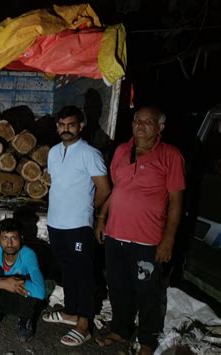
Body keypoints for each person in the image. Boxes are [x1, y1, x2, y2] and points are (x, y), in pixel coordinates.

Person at [94, 107, 185, 355]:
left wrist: (168, 240)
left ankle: (147, 340)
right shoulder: (122, 151)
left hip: (147, 240)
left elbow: (176, 202)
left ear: (159, 127)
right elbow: (117, 189)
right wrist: (102, 217)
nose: (141, 125)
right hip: (115, 235)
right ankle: (119, 330)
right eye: (137, 120)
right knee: (118, 286)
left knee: (148, 292)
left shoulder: (170, 155)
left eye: (148, 122)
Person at [43, 106, 110, 346]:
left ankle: (84, 324)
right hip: (55, 222)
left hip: (78, 225)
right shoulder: (53, 152)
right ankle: (71, 312)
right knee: (67, 270)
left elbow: (104, 188)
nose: (66, 129)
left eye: (71, 125)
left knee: (83, 275)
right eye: (61, 125)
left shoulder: (89, 153)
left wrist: (88, 209)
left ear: (80, 126)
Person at [0, 218, 45, 342]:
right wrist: (2, 283)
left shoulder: (28, 255)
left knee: (25, 277)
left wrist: (13, 282)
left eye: (13, 238)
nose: (9, 243)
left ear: (21, 238)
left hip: (20, 301)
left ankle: (25, 319)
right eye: (5, 238)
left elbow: (41, 292)